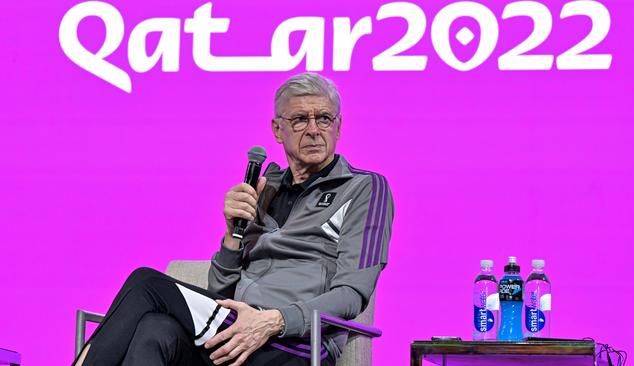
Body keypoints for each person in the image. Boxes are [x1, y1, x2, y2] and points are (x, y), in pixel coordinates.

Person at [73, 72, 394, 366]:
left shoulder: (364, 187)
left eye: (324, 118)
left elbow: (351, 294)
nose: (313, 130)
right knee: (155, 329)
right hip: (236, 331)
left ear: (339, 126)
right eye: (299, 120)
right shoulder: (263, 190)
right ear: (277, 130)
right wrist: (232, 235)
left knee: (146, 284)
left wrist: (274, 320)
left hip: (296, 342)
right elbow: (221, 291)